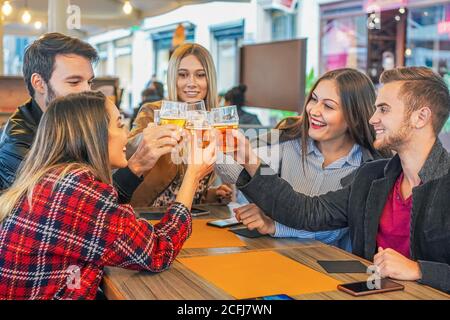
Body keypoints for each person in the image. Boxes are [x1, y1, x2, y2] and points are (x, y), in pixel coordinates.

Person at [232, 67, 450, 293]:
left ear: (421, 117)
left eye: (384, 110)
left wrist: (418, 270)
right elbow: (307, 212)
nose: (373, 118)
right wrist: (249, 159)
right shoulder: (373, 176)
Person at [0, 91, 216, 299]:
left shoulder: (54, 178)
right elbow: (159, 251)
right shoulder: (79, 192)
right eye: (121, 125)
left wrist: (136, 167)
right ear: (95, 136)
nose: (127, 136)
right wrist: (193, 175)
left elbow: (105, 223)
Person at [216, 68, 387, 250]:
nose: (313, 110)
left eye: (328, 106)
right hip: (273, 255)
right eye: (314, 99)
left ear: (355, 116)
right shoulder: (287, 139)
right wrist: (207, 146)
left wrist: (274, 225)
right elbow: (237, 167)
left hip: (329, 268)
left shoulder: (369, 167)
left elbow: (334, 226)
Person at [0, 33, 176, 205]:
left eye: (89, 82)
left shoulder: (69, 129)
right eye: (74, 82)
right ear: (39, 83)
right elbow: (76, 212)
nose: (87, 92)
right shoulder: (18, 145)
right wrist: (136, 166)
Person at [129, 43, 232, 207]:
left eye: (200, 75)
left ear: (209, 79)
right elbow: (128, 151)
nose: (191, 82)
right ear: (172, 78)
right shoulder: (154, 111)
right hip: (149, 215)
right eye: (183, 75)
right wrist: (147, 137)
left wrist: (210, 195)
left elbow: (187, 183)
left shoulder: (212, 120)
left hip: (188, 217)